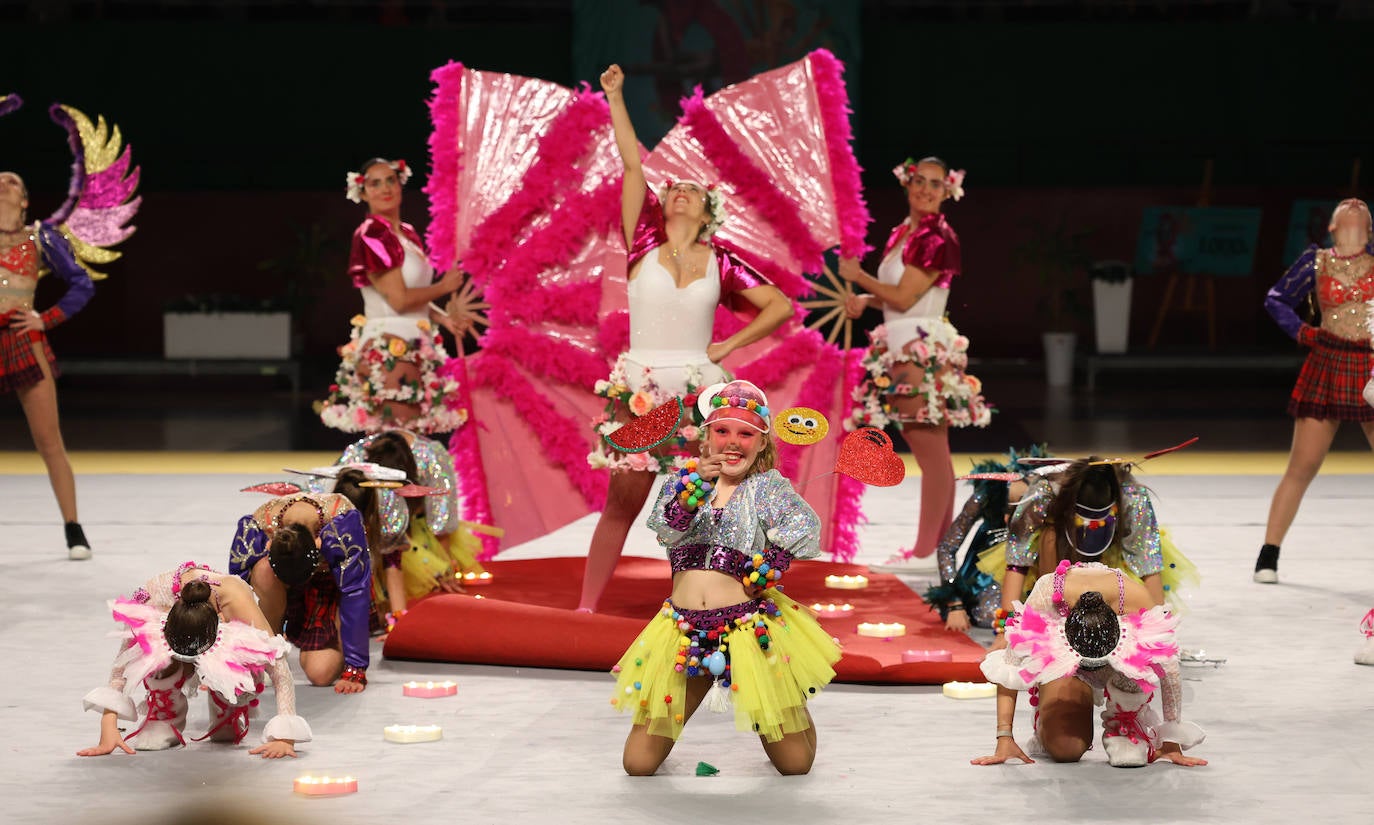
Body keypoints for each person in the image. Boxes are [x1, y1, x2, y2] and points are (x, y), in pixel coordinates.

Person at [577, 64, 794, 612]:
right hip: (641, 387)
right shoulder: (641, 242)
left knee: (705, 505)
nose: (678, 193)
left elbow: (780, 305)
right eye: (673, 188)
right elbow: (632, 163)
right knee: (623, 500)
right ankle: (586, 608)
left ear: (707, 211)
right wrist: (615, 96)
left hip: (700, 392)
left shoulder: (723, 261)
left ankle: (708, 602)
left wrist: (726, 348)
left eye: (691, 191)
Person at [610, 380, 840, 775]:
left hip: (747, 631)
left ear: (762, 443)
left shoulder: (766, 487)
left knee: (796, 764)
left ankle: (790, 700)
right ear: (706, 437)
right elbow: (666, 528)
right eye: (722, 431)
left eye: (745, 434)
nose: (733, 442)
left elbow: (804, 524)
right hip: (684, 633)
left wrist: (770, 564)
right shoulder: (682, 483)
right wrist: (696, 485)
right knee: (637, 763)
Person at [839, 156, 991, 573]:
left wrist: (858, 277)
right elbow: (900, 297)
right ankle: (935, 550)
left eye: (935, 183)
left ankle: (928, 552)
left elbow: (906, 299)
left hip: (917, 347)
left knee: (930, 451)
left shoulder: (936, 234)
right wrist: (866, 299)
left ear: (948, 190)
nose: (926, 189)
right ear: (907, 183)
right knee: (930, 451)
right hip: (903, 342)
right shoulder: (902, 232)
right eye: (919, 180)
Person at [974, 559, 1207, 768]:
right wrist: (1004, 737)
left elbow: (1169, 668)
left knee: (1130, 753)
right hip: (1065, 665)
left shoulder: (1135, 600)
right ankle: (1045, 716)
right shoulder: (1046, 597)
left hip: (1122, 664)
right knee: (1066, 749)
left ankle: (1124, 721)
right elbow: (1009, 667)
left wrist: (1171, 743)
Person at [1255, 198, 1374, 583]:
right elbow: (1276, 299)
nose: (1354, 205)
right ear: (1332, 227)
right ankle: (1268, 554)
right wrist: (1303, 332)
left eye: (1361, 209)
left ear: (1370, 228)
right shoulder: (1316, 262)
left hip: (1371, 366)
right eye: (1345, 210)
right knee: (1302, 465)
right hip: (1328, 363)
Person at [79, 561, 310, 758]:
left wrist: (285, 737)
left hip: (225, 637)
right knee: (151, 653)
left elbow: (279, 668)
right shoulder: (153, 600)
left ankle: (227, 707)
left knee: (246, 656)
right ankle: (164, 715)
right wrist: (108, 724)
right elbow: (122, 664)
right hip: (174, 626)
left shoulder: (237, 602)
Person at [317, 157, 470, 435]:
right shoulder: (372, 234)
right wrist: (443, 287)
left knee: (412, 440)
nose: (385, 189)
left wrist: (444, 319)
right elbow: (399, 301)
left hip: (418, 342)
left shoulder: (407, 234)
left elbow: (416, 296)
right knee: (395, 441)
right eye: (375, 184)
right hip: (390, 342)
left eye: (390, 180)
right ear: (363, 193)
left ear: (401, 184)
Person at [1, 170, 96, 560]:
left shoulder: (40, 238)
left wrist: (48, 318)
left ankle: (74, 530)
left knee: (49, 441)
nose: (2, 183)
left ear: (24, 199)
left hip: (24, 338)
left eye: (11, 181)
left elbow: (82, 283)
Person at [979, 458, 1198, 614]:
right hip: (1058, 550)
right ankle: (1055, 604)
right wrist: (1005, 628)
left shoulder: (1132, 496)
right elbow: (1018, 559)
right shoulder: (1043, 492)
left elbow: (1147, 563)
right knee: (1049, 538)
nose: (1091, 526)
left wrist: (1159, 628)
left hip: (1112, 555)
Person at [228, 480, 373, 693]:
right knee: (262, 571)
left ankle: (328, 640)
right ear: (270, 544)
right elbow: (234, 594)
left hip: (327, 586)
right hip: (277, 588)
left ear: (318, 544)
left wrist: (356, 666)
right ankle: (267, 649)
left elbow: (354, 593)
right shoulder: (258, 526)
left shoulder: (341, 524)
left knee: (320, 674)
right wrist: (228, 662)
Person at [340, 430, 483, 618]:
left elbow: (393, 560)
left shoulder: (429, 457)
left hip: (402, 530)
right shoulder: (352, 470)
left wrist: (443, 567)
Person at [923, 446, 1045, 631]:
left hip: (1037, 565)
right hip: (988, 574)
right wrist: (954, 603)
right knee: (988, 614)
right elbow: (947, 547)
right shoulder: (988, 494)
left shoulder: (1050, 495)